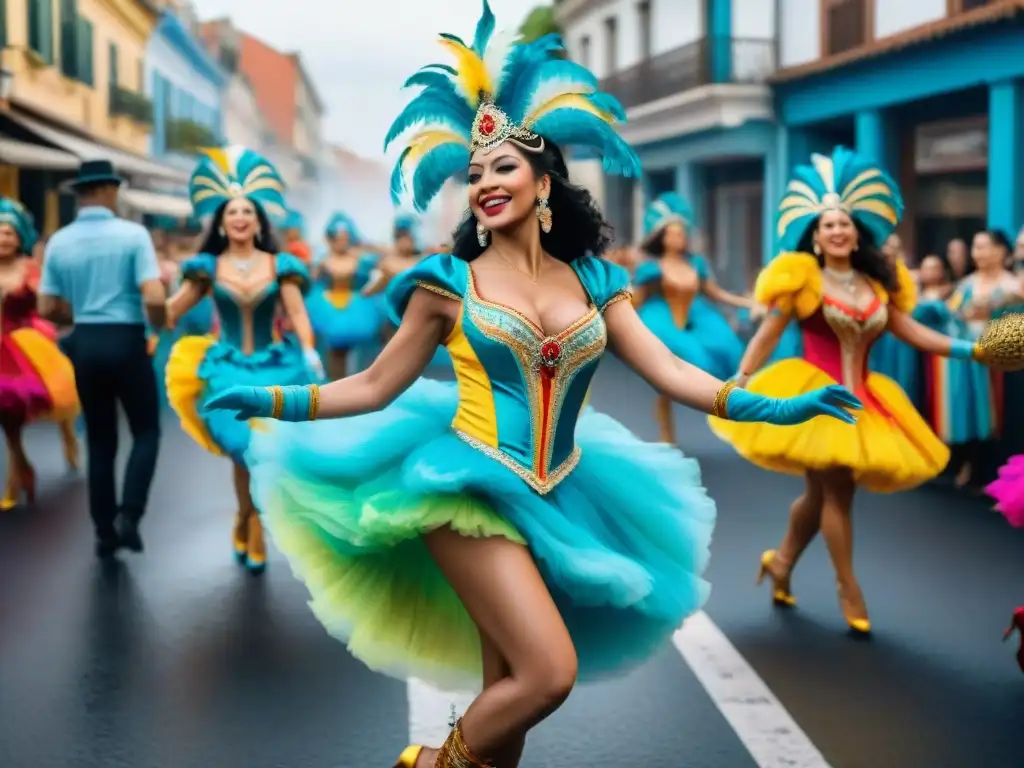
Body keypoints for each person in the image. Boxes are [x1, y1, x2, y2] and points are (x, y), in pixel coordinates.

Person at [204, 6, 859, 765]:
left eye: (502, 167)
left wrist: (775, 405)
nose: (484, 182)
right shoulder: (446, 284)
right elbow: (376, 385)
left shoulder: (597, 281)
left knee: (509, 690)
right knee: (548, 674)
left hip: (563, 489)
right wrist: (270, 401)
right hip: (464, 488)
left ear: (544, 183)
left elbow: (672, 370)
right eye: (474, 173)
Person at [709, 147, 1023, 635]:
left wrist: (975, 350)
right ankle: (848, 586)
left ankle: (781, 562)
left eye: (845, 224)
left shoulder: (878, 285)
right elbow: (768, 335)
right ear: (815, 237)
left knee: (819, 494)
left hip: (866, 399)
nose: (837, 230)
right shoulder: (801, 280)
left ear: (857, 234)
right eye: (828, 225)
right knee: (837, 491)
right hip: (814, 397)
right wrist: (741, 382)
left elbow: (914, 332)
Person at [163, 146, 324, 574]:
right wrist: (151, 298)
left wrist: (310, 350)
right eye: (231, 212)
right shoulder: (206, 267)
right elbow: (172, 310)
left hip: (276, 369)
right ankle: (248, 520)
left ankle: (253, 519)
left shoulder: (281, 265)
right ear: (221, 222)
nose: (239, 218)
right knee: (241, 451)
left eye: (247, 211)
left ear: (258, 221)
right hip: (227, 371)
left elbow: (298, 315)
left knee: (266, 453)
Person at [38, 159, 166, 559]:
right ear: (110, 190)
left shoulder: (59, 241)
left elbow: (46, 307)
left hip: (85, 341)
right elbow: (154, 295)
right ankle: (130, 515)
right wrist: (157, 326)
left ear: (80, 194)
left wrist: (79, 315)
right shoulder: (133, 235)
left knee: (100, 439)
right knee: (146, 430)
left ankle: (103, 531)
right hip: (126, 338)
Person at [631, 192, 756, 442]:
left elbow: (716, 294)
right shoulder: (651, 269)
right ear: (663, 237)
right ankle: (665, 429)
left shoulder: (696, 264)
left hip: (695, 322)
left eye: (682, 233)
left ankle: (722, 408)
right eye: (674, 234)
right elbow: (636, 301)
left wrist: (748, 301)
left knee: (722, 350)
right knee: (665, 380)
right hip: (662, 324)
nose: (680, 237)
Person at [0, 199, 80, 510]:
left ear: (19, 237)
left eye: (9, 233)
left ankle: (67, 435)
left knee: (29, 401)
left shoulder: (31, 268)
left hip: (27, 343)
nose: (3, 238)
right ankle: (20, 466)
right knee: (7, 412)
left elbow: (49, 303)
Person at [304, 211, 385, 379]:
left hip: (354, 307)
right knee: (334, 352)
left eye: (345, 238)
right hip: (329, 307)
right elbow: (311, 282)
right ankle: (334, 382)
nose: (342, 241)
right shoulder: (323, 260)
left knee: (357, 355)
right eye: (338, 238)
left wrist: (368, 291)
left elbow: (380, 267)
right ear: (331, 239)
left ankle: (353, 384)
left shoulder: (358, 258)